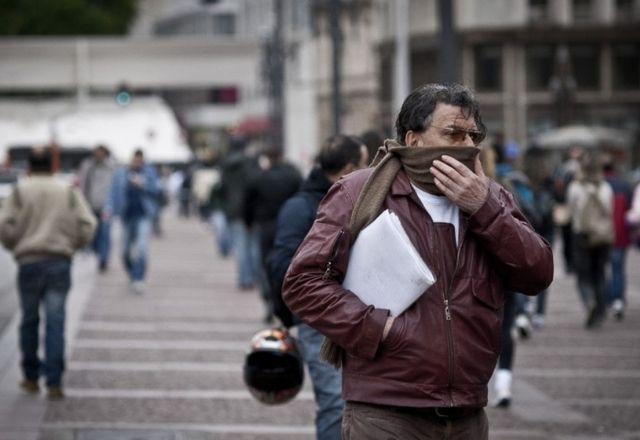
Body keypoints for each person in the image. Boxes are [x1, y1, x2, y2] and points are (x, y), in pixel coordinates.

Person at [283, 83, 553, 439]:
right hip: (386, 411)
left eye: (474, 135)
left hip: (467, 413)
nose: (468, 145)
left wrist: (485, 209)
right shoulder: (359, 192)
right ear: (413, 140)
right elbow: (303, 283)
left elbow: (537, 273)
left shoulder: (493, 196)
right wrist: (380, 329)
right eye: (453, 133)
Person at [267, 135, 368, 440]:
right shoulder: (302, 207)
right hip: (319, 319)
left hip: (358, 315)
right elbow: (281, 266)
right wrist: (290, 315)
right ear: (349, 168)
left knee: (359, 404)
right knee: (335, 403)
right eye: (365, 165)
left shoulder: (357, 200)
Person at [0, 148, 96, 400]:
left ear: (30, 167)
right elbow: (88, 223)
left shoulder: (21, 190)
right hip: (58, 261)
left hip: (29, 261)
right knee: (56, 321)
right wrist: (74, 245)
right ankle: (54, 381)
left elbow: (4, 223)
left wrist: (14, 245)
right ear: (52, 167)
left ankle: (30, 377)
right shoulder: (66, 190)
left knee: (29, 320)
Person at [244, 146, 302, 322]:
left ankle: (269, 300)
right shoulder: (294, 176)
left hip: (266, 226)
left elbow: (248, 202)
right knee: (289, 263)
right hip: (289, 225)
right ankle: (287, 301)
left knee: (266, 265)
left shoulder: (260, 177)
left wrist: (249, 222)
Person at [567, 152, 614, 329]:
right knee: (600, 274)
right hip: (602, 236)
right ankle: (600, 310)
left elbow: (571, 211)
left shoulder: (575, 187)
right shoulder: (606, 188)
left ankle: (589, 303)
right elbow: (609, 211)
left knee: (583, 276)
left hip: (582, 235)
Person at [105, 149, 161, 294]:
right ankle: (132, 273)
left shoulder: (149, 172)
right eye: (135, 160)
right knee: (124, 251)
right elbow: (113, 192)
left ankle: (139, 277)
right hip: (126, 215)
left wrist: (143, 184)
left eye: (140, 160)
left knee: (141, 248)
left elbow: (157, 191)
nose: (137, 163)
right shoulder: (121, 173)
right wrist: (109, 208)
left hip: (143, 214)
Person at [77, 145, 117, 272]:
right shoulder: (87, 165)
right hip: (90, 204)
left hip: (106, 206)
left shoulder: (112, 167)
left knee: (105, 233)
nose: (98, 155)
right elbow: (82, 183)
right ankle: (96, 251)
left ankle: (103, 259)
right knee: (93, 233)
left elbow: (116, 186)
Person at [603, 160, 632, 320]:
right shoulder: (625, 186)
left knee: (604, 269)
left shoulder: (600, 186)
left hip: (603, 235)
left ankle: (607, 299)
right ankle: (618, 300)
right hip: (621, 235)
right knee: (619, 269)